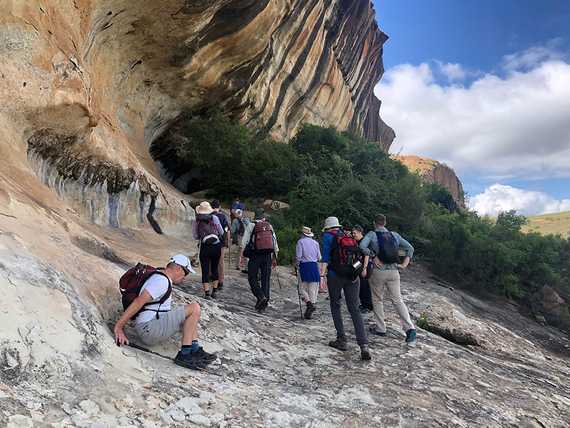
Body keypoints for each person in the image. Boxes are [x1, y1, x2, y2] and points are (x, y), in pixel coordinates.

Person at [114, 254, 217, 370]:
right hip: (148, 328)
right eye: (185, 273)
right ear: (178, 268)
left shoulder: (161, 276)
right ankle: (185, 355)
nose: (185, 278)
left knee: (189, 316)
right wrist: (119, 327)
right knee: (194, 308)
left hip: (152, 325)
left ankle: (195, 349)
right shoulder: (161, 281)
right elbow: (139, 302)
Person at [359, 214, 417, 347]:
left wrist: (373, 256)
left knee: (377, 299)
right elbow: (410, 248)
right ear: (385, 223)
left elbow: (362, 246)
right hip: (394, 272)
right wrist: (404, 265)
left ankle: (381, 328)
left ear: (374, 223)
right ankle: (410, 329)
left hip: (378, 272)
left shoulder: (372, 234)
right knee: (398, 300)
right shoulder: (395, 235)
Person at [320, 216, 371, 361]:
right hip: (353, 276)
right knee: (354, 309)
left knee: (335, 305)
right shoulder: (348, 235)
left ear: (328, 228)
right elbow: (360, 254)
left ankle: (341, 339)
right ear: (338, 226)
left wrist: (322, 276)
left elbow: (325, 258)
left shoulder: (328, 236)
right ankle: (364, 346)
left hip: (336, 275)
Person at [240, 208, 279, 313]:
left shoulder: (251, 225)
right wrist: (275, 257)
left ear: (255, 216)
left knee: (252, 277)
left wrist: (242, 256)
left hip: (255, 255)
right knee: (265, 278)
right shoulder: (269, 226)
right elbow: (274, 242)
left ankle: (261, 297)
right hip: (267, 255)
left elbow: (244, 242)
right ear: (263, 217)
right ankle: (263, 302)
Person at [193, 201, 224, 299]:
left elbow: (195, 236)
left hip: (205, 246)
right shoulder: (215, 218)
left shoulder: (196, 220)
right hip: (216, 246)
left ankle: (207, 293)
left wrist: (203, 235)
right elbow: (221, 231)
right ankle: (214, 291)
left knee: (205, 270)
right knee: (215, 268)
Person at [295, 226, 321, 319]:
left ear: (302, 234)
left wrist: (296, 264)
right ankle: (310, 308)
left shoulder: (300, 242)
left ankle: (309, 305)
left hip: (305, 266)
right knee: (312, 290)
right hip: (314, 266)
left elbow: (298, 256)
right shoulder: (316, 243)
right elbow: (319, 257)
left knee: (302, 288)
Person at [352, 225, 374, 314]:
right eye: (352, 233)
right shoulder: (356, 241)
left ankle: (368, 306)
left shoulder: (364, 242)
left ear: (360, 232)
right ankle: (363, 304)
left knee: (365, 286)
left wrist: (364, 268)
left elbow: (367, 256)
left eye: (355, 233)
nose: (353, 235)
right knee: (360, 285)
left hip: (366, 265)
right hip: (358, 264)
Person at [211, 200, 230, 291]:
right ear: (220, 207)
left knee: (211, 260)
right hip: (221, 242)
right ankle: (220, 281)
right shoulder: (223, 216)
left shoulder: (209, 215)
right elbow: (227, 230)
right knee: (220, 262)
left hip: (209, 241)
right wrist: (227, 242)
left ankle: (212, 278)